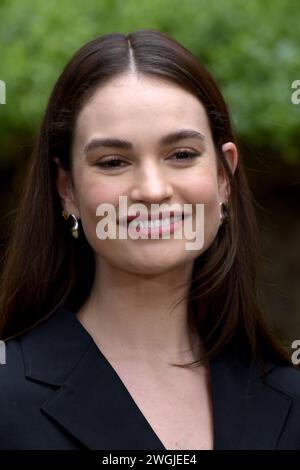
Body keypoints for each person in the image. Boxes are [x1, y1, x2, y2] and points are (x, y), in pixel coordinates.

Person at [0, 28, 299, 451]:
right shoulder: (7, 399)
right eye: (113, 161)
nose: (153, 190)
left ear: (223, 176)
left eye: (181, 155)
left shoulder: (288, 398)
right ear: (67, 189)